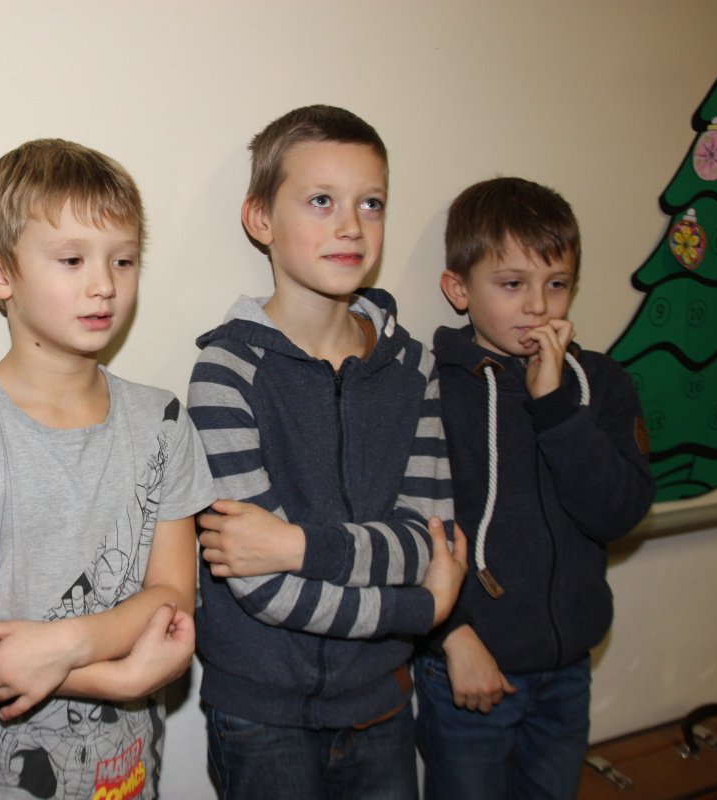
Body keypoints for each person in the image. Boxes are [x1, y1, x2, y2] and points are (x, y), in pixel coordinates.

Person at [0, 138, 215, 799]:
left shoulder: (163, 424)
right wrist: (118, 676)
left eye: (123, 260)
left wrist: (66, 645)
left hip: (121, 774)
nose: (104, 284)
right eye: (72, 259)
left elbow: (171, 598)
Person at [186, 104, 468, 799]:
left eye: (371, 203)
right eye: (321, 201)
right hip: (261, 714)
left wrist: (295, 546)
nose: (351, 226)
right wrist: (421, 611)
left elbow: (428, 545)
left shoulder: (413, 369)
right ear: (261, 220)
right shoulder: (226, 372)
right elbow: (258, 584)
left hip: (381, 702)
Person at [415, 177, 655, 799]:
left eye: (557, 284)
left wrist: (555, 408)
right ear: (459, 290)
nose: (538, 307)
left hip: (568, 667)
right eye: (512, 284)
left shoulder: (601, 383)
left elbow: (619, 513)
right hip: (468, 665)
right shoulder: (428, 390)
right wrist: (450, 635)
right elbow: (408, 525)